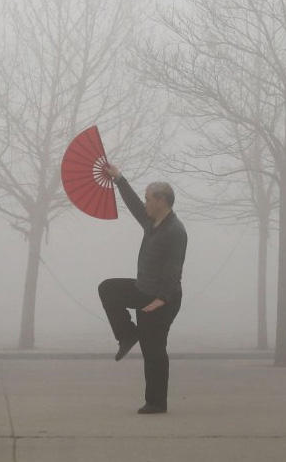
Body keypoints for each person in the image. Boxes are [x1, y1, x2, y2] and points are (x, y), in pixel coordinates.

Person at [98, 163, 187, 414]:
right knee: (108, 289)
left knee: (154, 348)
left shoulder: (175, 231)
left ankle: (157, 402)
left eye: (149, 199)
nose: (145, 203)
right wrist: (119, 179)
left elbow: (174, 268)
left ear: (161, 200)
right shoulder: (152, 222)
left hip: (163, 298)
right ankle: (127, 334)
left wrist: (162, 298)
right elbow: (134, 205)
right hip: (143, 290)